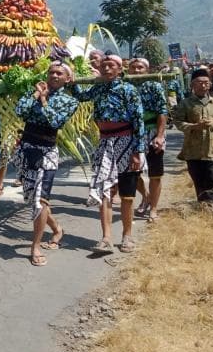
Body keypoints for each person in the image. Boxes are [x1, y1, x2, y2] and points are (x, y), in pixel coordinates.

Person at [73, 54, 144, 254]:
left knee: (127, 194)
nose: (106, 68)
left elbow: (138, 121)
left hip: (127, 142)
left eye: (110, 65)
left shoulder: (128, 90)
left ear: (120, 69)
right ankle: (106, 238)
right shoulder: (98, 88)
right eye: (103, 65)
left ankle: (127, 235)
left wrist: (137, 152)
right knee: (105, 190)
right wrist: (72, 82)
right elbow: (81, 97)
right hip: (105, 142)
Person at [13, 61, 78, 266]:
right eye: (51, 72)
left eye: (59, 73)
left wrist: (44, 102)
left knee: (40, 201)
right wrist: (36, 95)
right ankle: (57, 229)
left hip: (47, 153)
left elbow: (55, 122)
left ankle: (36, 246)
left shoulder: (69, 101)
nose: (54, 76)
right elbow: (20, 111)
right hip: (26, 150)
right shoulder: (35, 94)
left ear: (68, 79)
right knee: (32, 198)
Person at [174, 69, 213, 211]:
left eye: (206, 83)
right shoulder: (185, 103)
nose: (203, 86)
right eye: (200, 83)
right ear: (192, 85)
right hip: (193, 149)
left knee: (211, 177)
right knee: (198, 178)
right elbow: (178, 122)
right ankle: (202, 204)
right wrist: (194, 126)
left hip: (212, 148)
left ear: (210, 85)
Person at [128, 58, 168, 223]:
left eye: (140, 67)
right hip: (131, 133)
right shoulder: (125, 87)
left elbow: (162, 111)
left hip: (152, 131)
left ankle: (153, 209)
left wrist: (159, 135)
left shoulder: (154, 86)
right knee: (132, 171)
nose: (137, 71)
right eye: (133, 68)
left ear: (147, 69)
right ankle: (146, 196)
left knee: (155, 173)